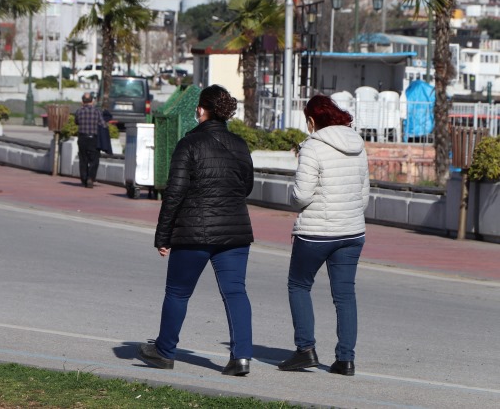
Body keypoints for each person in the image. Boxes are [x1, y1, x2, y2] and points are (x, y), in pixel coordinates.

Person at [137, 85, 255, 376]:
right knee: (235, 292)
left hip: (193, 232)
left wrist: (163, 236)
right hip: (235, 231)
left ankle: (164, 351)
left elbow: (174, 194)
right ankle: (241, 358)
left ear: (201, 110)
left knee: (178, 292)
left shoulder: (188, 144)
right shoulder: (239, 144)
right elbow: (247, 186)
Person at [277, 95, 369, 376]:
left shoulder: (312, 146)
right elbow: (364, 195)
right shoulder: (358, 144)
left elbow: (302, 195)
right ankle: (345, 359)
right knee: (345, 295)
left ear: (312, 120)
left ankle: (305, 350)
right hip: (352, 231)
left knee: (299, 285)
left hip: (317, 232)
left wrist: (289, 196)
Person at [74, 92, 106, 188]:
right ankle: (90, 178)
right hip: (93, 138)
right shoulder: (97, 112)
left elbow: (76, 122)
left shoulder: (79, 111)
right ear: (92, 101)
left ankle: (84, 179)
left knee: (83, 159)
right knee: (94, 160)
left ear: (82, 102)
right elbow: (103, 124)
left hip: (82, 138)